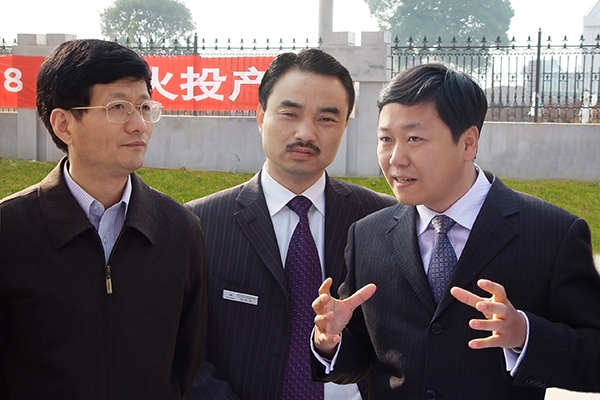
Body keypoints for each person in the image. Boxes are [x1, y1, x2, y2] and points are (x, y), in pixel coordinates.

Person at [311, 63, 600, 399]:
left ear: (468, 143)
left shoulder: (551, 234)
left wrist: (524, 334)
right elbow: (363, 358)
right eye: (386, 139)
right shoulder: (367, 237)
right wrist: (330, 341)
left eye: (415, 138)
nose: (396, 158)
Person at [183, 48, 396, 400]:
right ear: (260, 116)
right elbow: (184, 346)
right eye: (290, 113)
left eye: (326, 119)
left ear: (344, 126)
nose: (306, 132)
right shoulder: (199, 223)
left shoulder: (383, 220)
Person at [0, 39, 207, 399]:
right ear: (64, 125)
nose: (139, 125)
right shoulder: (10, 231)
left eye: (144, 107)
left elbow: (187, 357)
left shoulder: (180, 230)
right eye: (118, 107)